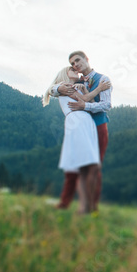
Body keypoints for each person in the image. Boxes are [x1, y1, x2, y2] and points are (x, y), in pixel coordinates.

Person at [49, 52, 113, 211]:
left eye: (77, 60)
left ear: (86, 59)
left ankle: (91, 206)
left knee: (93, 167)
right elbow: (53, 90)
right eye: (72, 64)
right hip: (81, 126)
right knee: (76, 166)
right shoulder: (70, 84)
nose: (75, 65)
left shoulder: (103, 79)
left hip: (97, 126)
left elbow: (106, 105)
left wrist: (86, 106)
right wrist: (57, 87)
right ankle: (67, 202)